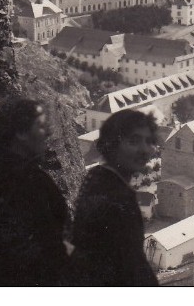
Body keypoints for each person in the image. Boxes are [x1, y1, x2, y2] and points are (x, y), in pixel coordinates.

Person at [0, 99, 69, 286]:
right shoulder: (32, 181)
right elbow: (50, 246)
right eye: (40, 126)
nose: (48, 132)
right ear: (20, 133)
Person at [67, 109, 159, 286]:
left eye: (149, 141)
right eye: (133, 141)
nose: (145, 150)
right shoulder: (115, 194)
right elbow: (131, 267)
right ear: (111, 144)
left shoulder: (98, 178)